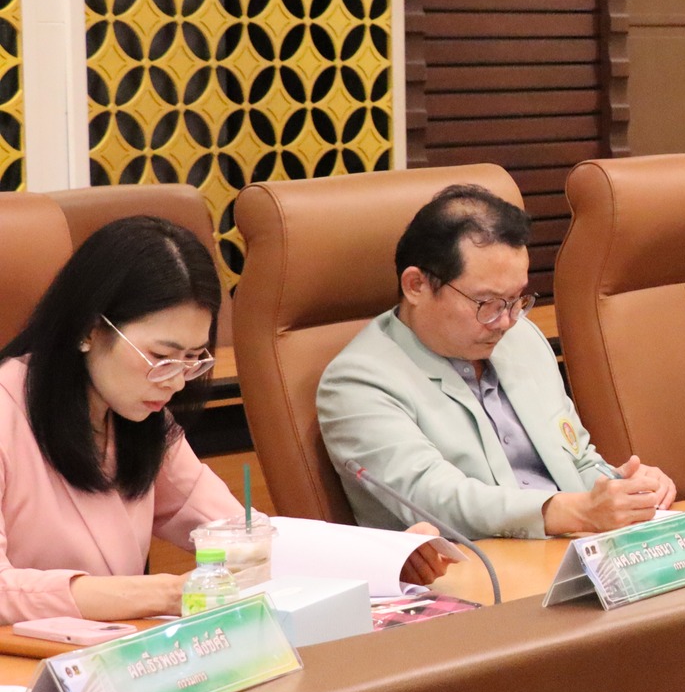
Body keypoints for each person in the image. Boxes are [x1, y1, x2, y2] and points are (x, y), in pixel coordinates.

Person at [0, 217, 445, 623]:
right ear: (88, 329)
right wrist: (161, 593)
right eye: (160, 357)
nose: (176, 382)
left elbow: (243, 536)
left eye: (193, 359)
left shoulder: (138, 419)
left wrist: (385, 556)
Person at [319, 185, 677, 541]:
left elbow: (577, 459)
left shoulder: (523, 340)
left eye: (516, 299)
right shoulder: (357, 382)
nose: (506, 322)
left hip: (574, 550)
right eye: (487, 303)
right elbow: (434, 499)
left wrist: (625, 490)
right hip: (474, 567)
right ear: (416, 286)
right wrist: (576, 511)